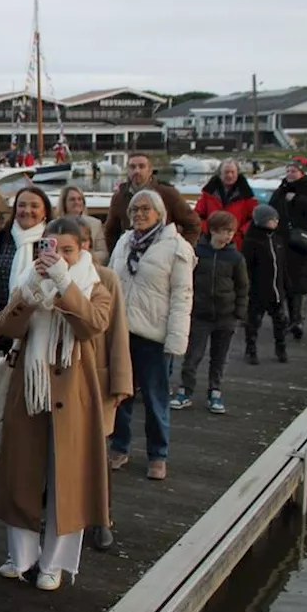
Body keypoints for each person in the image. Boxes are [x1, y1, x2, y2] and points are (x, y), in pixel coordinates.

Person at [0, 216, 125, 589]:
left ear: (82, 248)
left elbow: (93, 325)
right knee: (22, 474)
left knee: (68, 479)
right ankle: (21, 556)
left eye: (67, 249)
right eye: (51, 248)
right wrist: (30, 291)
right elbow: (5, 329)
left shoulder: (96, 283)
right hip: (29, 390)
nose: (57, 256)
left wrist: (64, 282)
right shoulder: (27, 281)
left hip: (74, 393)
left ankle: (55, 564)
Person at [107, 189, 194, 481]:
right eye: (134, 210)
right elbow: (108, 284)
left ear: (160, 213)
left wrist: (176, 339)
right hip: (121, 332)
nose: (139, 215)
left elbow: (183, 296)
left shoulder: (176, 247)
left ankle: (158, 455)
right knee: (120, 394)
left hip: (154, 335)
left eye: (146, 209)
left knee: (156, 398)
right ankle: (119, 447)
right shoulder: (123, 242)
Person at [74, 221, 133, 553]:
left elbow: (118, 332)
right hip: (62, 381)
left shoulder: (106, 278)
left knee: (97, 452)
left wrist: (122, 381)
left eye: (80, 243)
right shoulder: (47, 276)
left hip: (98, 378)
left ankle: (102, 518)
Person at [170, 212, 249, 415]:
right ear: (213, 231)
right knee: (193, 356)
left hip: (226, 315)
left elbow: (242, 287)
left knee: (219, 358)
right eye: (224, 231)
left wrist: (238, 314)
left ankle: (215, 391)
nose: (228, 236)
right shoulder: (197, 253)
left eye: (231, 232)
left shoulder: (235, 257)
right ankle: (185, 391)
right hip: (200, 314)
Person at [0, 186, 53, 351]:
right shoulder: (0, 239)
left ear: (45, 211)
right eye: (21, 205)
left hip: (44, 324)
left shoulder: (52, 241)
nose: (27, 210)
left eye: (34, 206)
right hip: (5, 325)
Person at [272, 157, 307, 339]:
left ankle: (298, 320)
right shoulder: (281, 189)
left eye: (293, 171)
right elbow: (273, 208)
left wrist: (298, 200)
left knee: (301, 281)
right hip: (284, 240)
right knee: (285, 281)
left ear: (302, 172)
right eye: (288, 171)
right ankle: (289, 318)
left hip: (304, 240)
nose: (290, 174)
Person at [104, 154, 201, 254]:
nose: (137, 171)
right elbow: (110, 231)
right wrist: (116, 255)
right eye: (132, 167)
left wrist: (181, 251)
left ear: (150, 171)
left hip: (162, 255)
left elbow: (193, 224)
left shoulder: (168, 193)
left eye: (142, 166)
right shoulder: (119, 197)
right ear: (127, 171)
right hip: (130, 255)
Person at [242, 204, 289, 365]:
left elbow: (282, 265)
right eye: (271, 219)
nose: (276, 221)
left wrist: (286, 285)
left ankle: (281, 348)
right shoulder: (252, 242)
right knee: (253, 322)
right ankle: (251, 349)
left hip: (277, 290)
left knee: (280, 322)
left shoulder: (277, 239)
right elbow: (247, 267)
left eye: (276, 219)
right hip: (258, 291)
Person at [194, 158, 258, 249]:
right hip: (210, 240)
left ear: (237, 173)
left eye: (232, 172)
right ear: (220, 174)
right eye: (226, 172)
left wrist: (241, 233)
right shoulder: (208, 193)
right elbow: (197, 215)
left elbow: (254, 218)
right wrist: (209, 230)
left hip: (236, 242)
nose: (230, 175)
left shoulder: (247, 195)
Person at [58, 185, 107, 265]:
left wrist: (84, 257)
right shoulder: (55, 225)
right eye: (72, 199)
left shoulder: (95, 224)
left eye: (79, 199)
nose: (77, 202)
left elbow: (103, 253)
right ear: (64, 203)